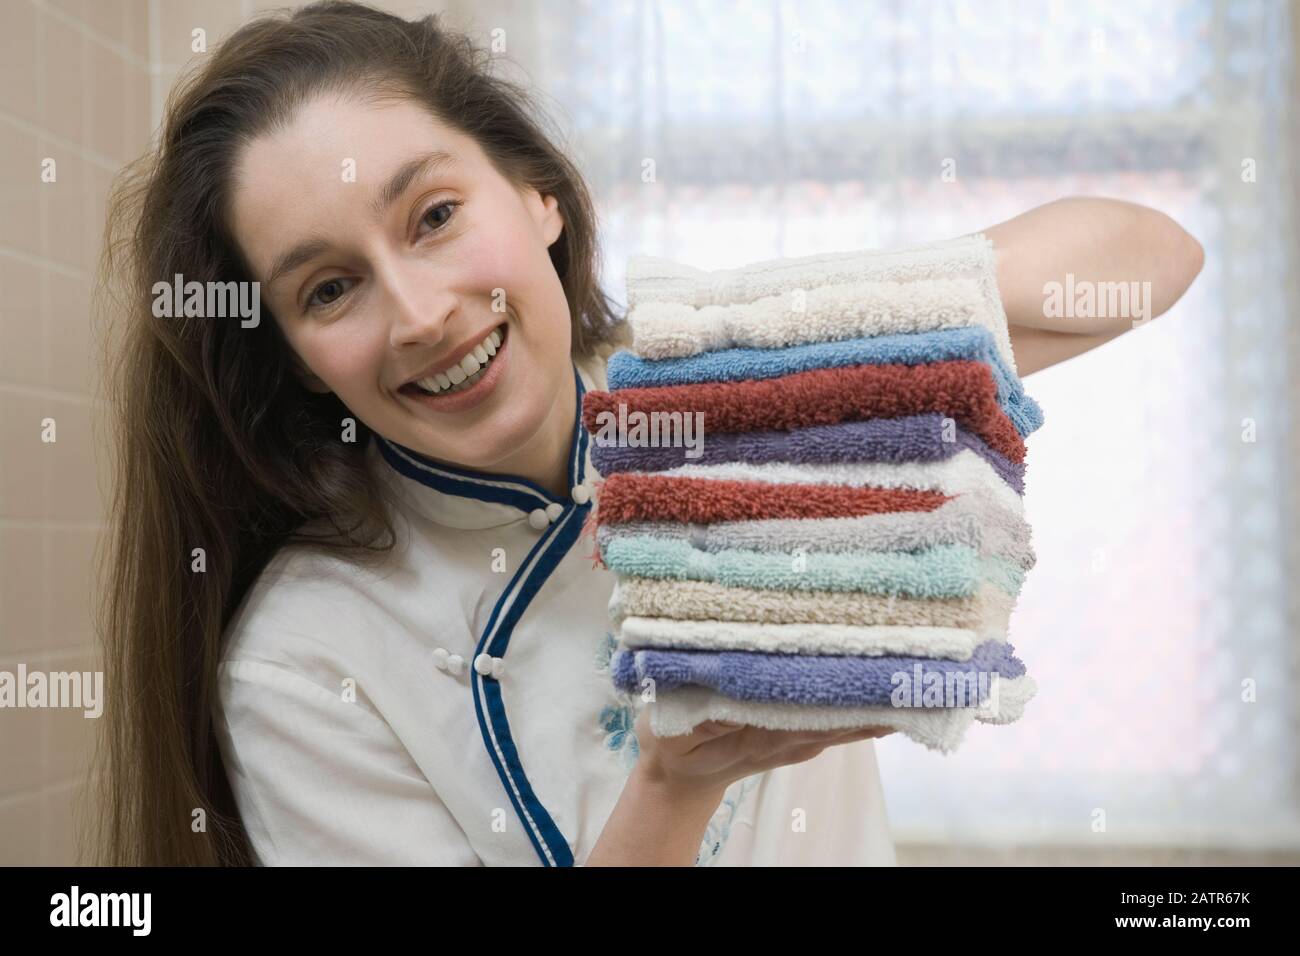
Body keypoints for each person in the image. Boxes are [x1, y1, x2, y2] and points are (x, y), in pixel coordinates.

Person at [94, 0, 1203, 866]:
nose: (420, 311)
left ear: (537, 196)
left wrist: (823, 338)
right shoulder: (305, 658)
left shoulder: (727, 391)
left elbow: (1153, 257)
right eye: (331, 288)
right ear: (292, 352)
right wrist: (673, 788)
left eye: (434, 216)